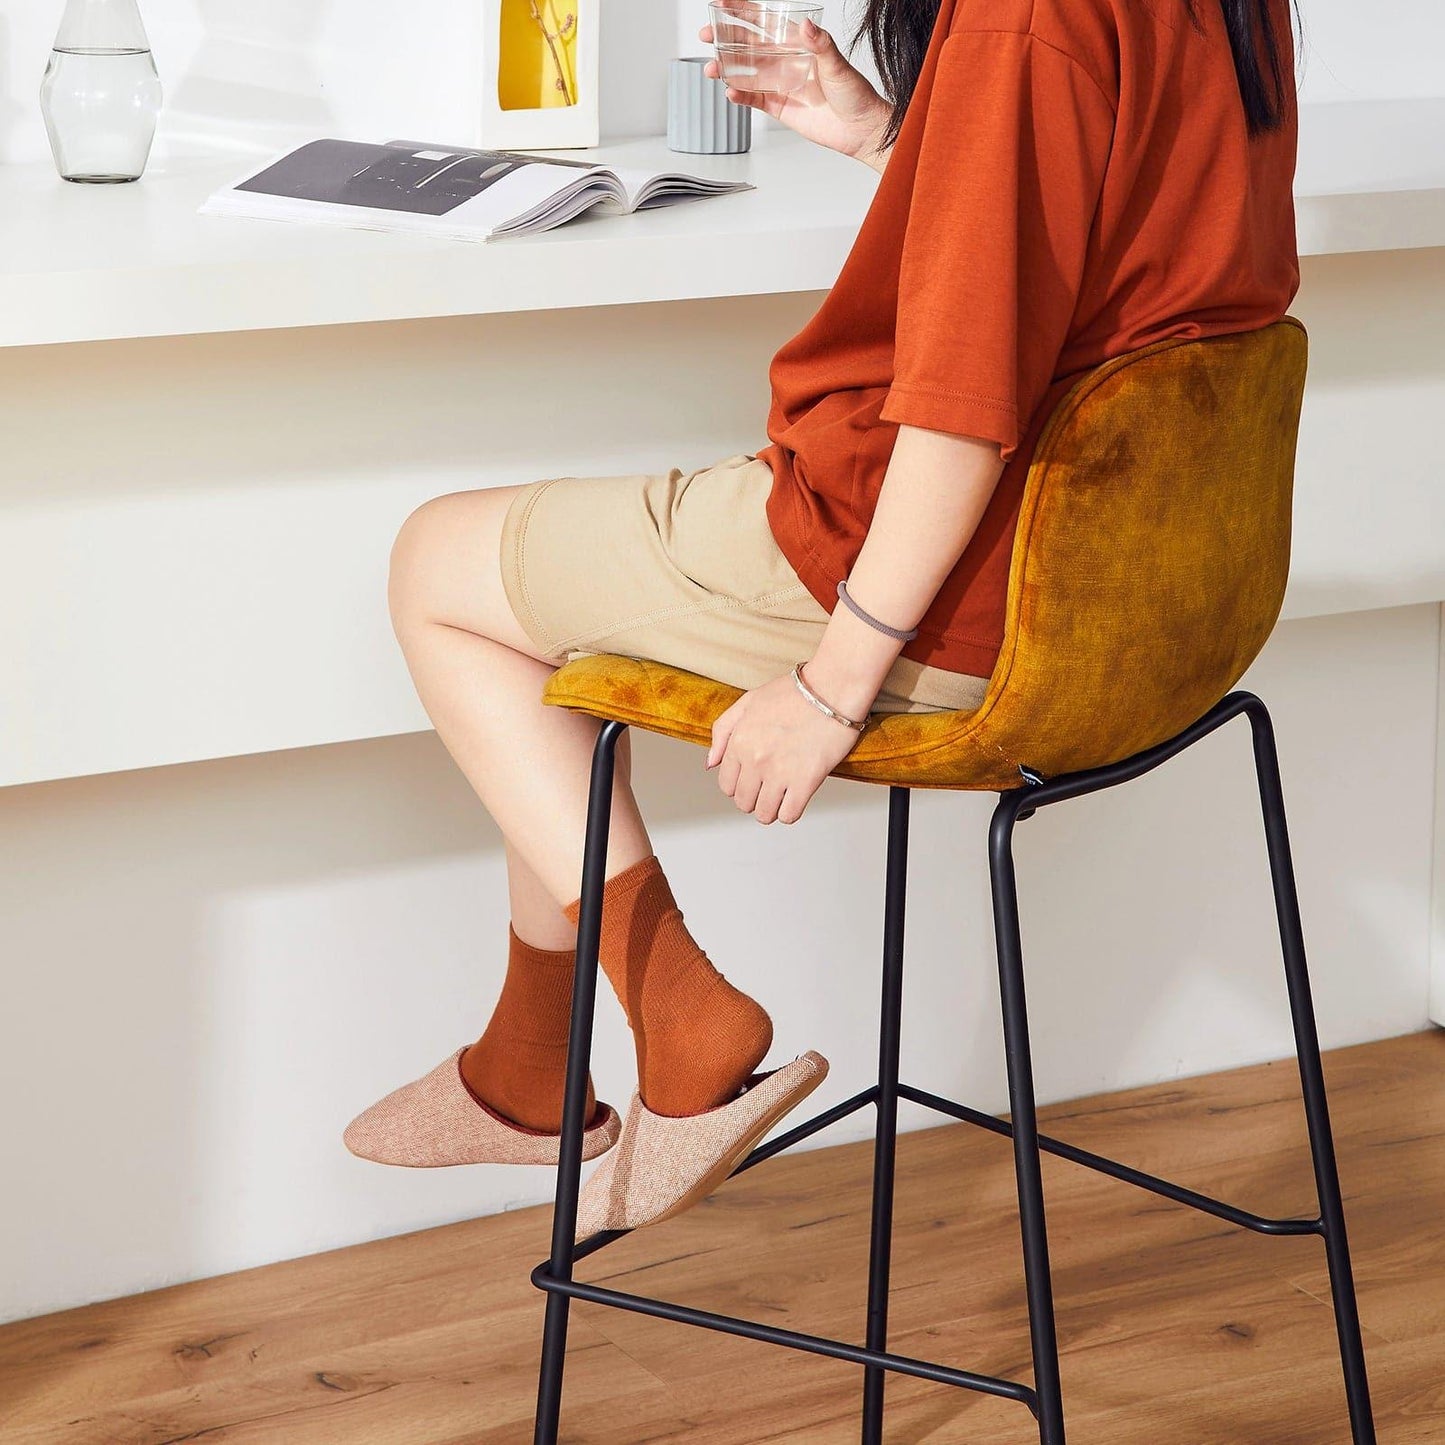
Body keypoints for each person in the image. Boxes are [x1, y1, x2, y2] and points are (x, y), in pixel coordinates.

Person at [343, 0, 1301, 1234]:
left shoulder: (1021, 18)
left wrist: (825, 686)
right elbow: (1112, 258)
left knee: (440, 569)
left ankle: (675, 1021)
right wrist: (893, 138)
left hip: (941, 590)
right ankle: (525, 1065)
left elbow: (961, 407)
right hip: (1140, 620)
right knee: (562, 616)